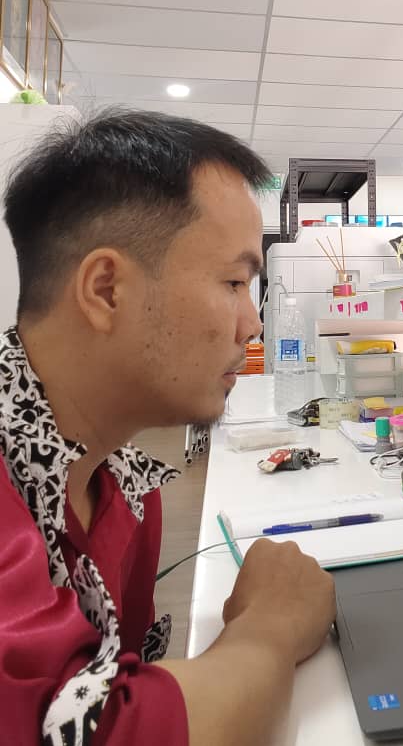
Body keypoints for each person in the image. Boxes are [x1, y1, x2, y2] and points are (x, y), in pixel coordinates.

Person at [0, 110, 336, 746]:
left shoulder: (125, 488)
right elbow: (100, 730)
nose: (251, 325)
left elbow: (117, 682)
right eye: (233, 282)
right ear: (107, 290)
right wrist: (272, 623)